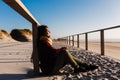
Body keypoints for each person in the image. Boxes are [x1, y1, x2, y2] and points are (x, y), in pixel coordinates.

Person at [31, 25, 98, 75]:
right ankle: (78, 68)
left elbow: (51, 53)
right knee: (64, 52)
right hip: (49, 70)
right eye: (47, 31)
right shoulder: (43, 42)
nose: (49, 32)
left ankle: (85, 66)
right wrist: (61, 49)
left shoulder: (44, 41)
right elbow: (52, 52)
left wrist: (61, 50)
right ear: (43, 32)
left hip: (50, 66)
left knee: (66, 53)